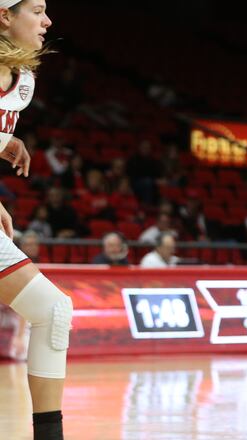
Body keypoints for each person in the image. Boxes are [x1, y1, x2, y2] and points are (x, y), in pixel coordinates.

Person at [0, 2, 70, 439]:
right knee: (52, 309)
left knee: (52, 310)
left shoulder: (22, 82)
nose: (47, 22)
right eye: (38, 11)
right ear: (4, 15)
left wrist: (6, 138)